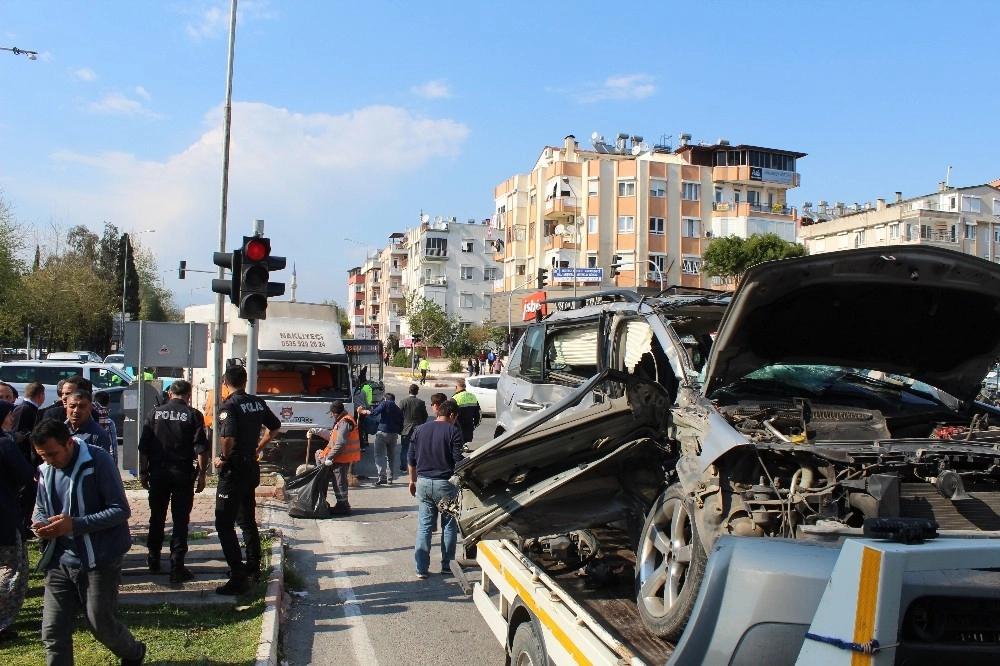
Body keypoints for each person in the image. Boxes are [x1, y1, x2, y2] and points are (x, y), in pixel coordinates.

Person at [30, 419, 146, 665]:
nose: (49, 460)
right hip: (60, 560)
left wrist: (75, 524)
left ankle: (134, 653)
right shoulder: (45, 470)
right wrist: (40, 523)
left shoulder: (97, 461)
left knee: (100, 625)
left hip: (100, 559)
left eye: (53, 454)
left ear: (69, 443)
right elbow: (40, 507)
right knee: (53, 631)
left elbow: (120, 510)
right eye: (43, 455)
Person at [214, 365, 281, 595]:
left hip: (234, 469)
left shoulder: (229, 405)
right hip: (251, 467)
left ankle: (237, 574)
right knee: (247, 518)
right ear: (245, 381)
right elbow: (275, 426)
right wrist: (258, 447)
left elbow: (227, 436)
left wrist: (223, 457)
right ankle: (253, 565)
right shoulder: (257, 402)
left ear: (225, 382)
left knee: (224, 522)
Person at [138, 380, 210, 584]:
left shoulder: (154, 413)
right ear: (188, 395)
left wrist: (144, 472)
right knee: (180, 520)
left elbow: (144, 446)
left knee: (157, 516)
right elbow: (201, 449)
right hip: (182, 473)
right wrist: (203, 474)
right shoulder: (193, 414)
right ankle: (177, 566)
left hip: (158, 472)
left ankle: (153, 558)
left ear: (170, 394)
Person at [407, 398, 465, 579]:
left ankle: (421, 568)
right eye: (455, 418)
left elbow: (411, 458)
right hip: (445, 485)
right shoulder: (453, 431)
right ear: (452, 415)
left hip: (423, 483)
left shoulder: (419, 429)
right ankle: (447, 565)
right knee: (448, 525)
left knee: (424, 526)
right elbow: (458, 460)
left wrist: (412, 481)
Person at [0, 401, 33, 642]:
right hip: (4, 516)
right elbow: (24, 474)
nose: (12, 419)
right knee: (10, 570)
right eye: (9, 415)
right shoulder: (5, 445)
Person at [308, 400, 361, 516]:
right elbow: (332, 437)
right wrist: (317, 431)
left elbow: (340, 443)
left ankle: (343, 507)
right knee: (337, 481)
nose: (331, 415)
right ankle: (340, 505)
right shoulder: (341, 421)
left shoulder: (345, 422)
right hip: (338, 456)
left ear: (336, 413)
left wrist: (330, 457)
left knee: (339, 483)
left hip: (341, 457)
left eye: (332, 413)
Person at [358, 392, 403, 485]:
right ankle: (390, 479)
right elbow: (401, 422)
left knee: (378, 455)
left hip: (383, 433)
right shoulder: (398, 409)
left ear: (385, 398)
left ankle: (381, 477)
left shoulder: (385, 403)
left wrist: (362, 411)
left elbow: (374, 413)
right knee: (391, 457)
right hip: (394, 434)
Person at [65, 389, 116, 464]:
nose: (76, 411)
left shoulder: (99, 435)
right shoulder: (59, 430)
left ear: (90, 408)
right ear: (66, 408)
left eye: (82, 407)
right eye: (72, 406)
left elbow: (102, 466)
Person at [398, 384, 428, 476]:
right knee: (417, 448)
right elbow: (425, 416)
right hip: (418, 428)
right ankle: (417, 467)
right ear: (417, 392)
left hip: (406, 428)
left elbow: (399, 416)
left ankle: (403, 467)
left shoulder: (403, 402)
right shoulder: (421, 402)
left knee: (405, 448)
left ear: (409, 391)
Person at [452, 378, 481, 444]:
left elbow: (451, 415)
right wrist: (475, 423)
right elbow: (478, 412)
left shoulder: (455, 398)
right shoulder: (473, 396)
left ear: (456, 387)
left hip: (458, 427)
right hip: (469, 426)